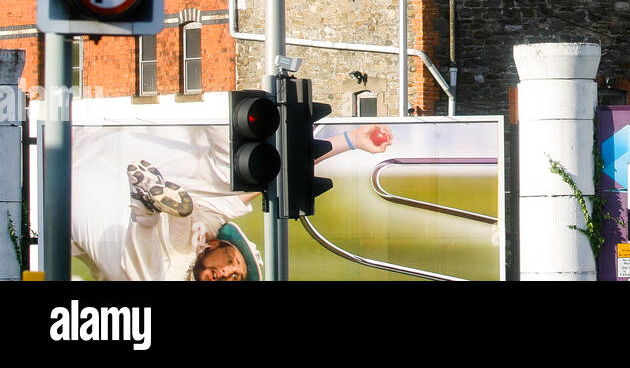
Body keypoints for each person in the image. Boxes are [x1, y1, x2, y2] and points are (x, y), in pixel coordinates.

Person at [71, 122, 393, 281]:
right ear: (213, 244)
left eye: (232, 277)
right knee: (236, 174)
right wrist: (348, 141)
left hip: (78, 211)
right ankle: (149, 203)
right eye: (232, 265)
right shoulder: (208, 223)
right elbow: (278, 175)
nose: (226, 274)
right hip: (87, 156)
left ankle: (146, 208)